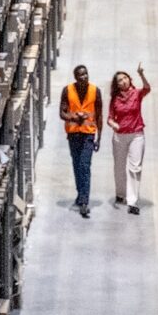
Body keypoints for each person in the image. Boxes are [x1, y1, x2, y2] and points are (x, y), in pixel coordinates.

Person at [107, 66, 152, 215]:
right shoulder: (115, 99)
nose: (123, 81)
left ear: (129, 79)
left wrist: (141, 74)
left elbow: (147, 88)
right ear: (117, 85)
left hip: (136, 135)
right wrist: (114, 124)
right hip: (119, 136)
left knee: (135, 168)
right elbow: (109, 118)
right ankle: (121, 194)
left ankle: (132, 202)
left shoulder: (136, 94)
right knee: (119, 167)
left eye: (125, 78)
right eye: (120, 80)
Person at [60, 65, 101, 218]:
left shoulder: (95, 91)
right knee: (77, 166)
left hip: (89, 135)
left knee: (85, 166)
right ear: (75, 78)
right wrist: (74, 117)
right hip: (73, 135)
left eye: (85, 74)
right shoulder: (68, 90)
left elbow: (99, 115)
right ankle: (80, 194)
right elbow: (62, 113)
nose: (84, 77)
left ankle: (84, 202)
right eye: (80, 75)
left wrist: (100, 137)